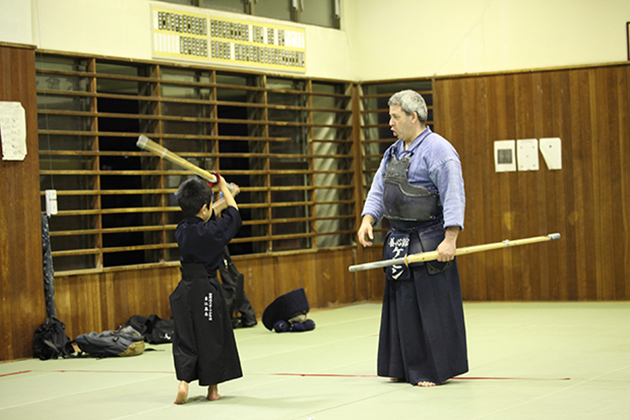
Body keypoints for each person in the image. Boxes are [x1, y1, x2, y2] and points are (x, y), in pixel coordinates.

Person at [357, 89, 468, 387]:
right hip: (398, 240)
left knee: (429, 308)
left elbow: (453, 195)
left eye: (394, 116)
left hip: (429, 239)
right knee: (400, 306)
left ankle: (431, 369)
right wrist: (368, 219)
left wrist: (450, 238)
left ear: (413, 116)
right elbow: (379, 189)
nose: (390, 122)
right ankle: (401, 366)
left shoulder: (439, 150)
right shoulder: (393, 151)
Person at [170, 175, 243, 404]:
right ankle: (212, 390)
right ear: (204, 207)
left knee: (185, 336)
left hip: (184, 289)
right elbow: (234, 215)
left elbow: (206, 212)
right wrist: (223, 187)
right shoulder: (213, 232)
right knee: (211, 337)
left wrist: (225, 195)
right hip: (207, 289)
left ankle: (183, 383)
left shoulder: (181, 229)